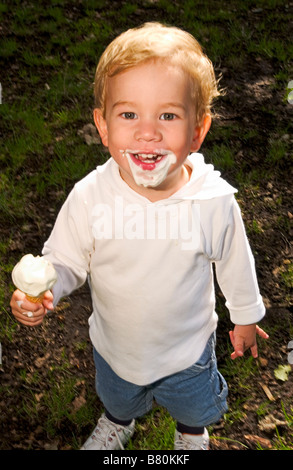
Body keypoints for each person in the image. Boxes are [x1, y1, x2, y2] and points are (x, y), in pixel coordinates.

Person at [10, 22, 269, 450]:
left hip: (186, 351)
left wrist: (245, 316)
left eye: (168, 115)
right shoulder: (91, 196)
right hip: (116, 345)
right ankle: (119, 421)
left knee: (193, 405)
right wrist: (42, 289)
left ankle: (190, 433)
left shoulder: (211, 200)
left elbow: (235, 261)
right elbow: (66, 259)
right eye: (129, 115)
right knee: (117, 395)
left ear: (198, 130)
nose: (147, 132)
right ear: (104, 126)